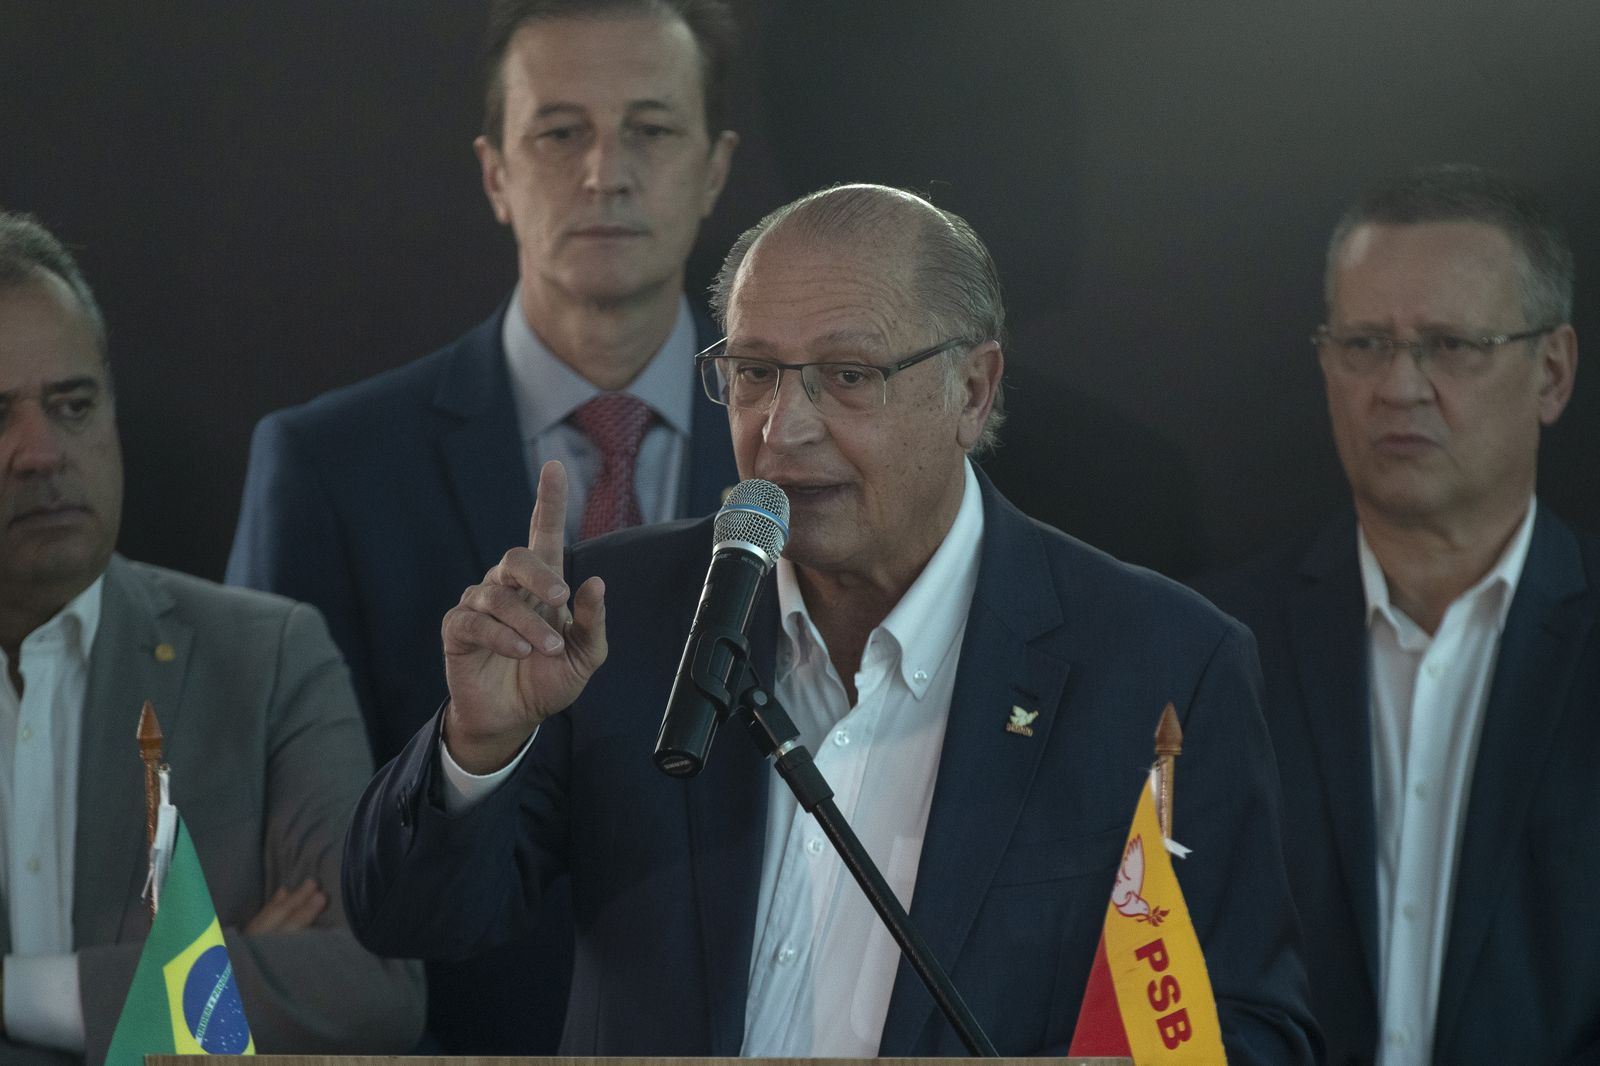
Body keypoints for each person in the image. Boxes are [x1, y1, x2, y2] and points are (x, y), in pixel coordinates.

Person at [343, 183, 1319, 1062]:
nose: (783, 427)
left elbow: (1246, 1027)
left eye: (848, 375)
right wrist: (480, 744)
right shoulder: (620, 614)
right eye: (755, 372)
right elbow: (410, 921)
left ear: (972, 390)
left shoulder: (1156, 667)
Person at [225, 0, 742, 1049]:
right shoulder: (329, 467)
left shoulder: (809, 456)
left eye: (650, 129)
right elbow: (273, 827)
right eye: (560, 132)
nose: (605, 173)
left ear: (715, 169)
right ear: (495, 173)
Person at [0, 212, 424, 1065]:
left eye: (74, 406)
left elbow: (372, 984)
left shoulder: (268, 661)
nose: (42, 452)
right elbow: (276, 1008)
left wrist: (24, 992)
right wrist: (212, 978)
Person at [1195, 164, 1594, 1064]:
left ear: (1553, 371)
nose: (1399, 386)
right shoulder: (1217, 646)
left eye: (1451, 345)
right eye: (1366, 344)